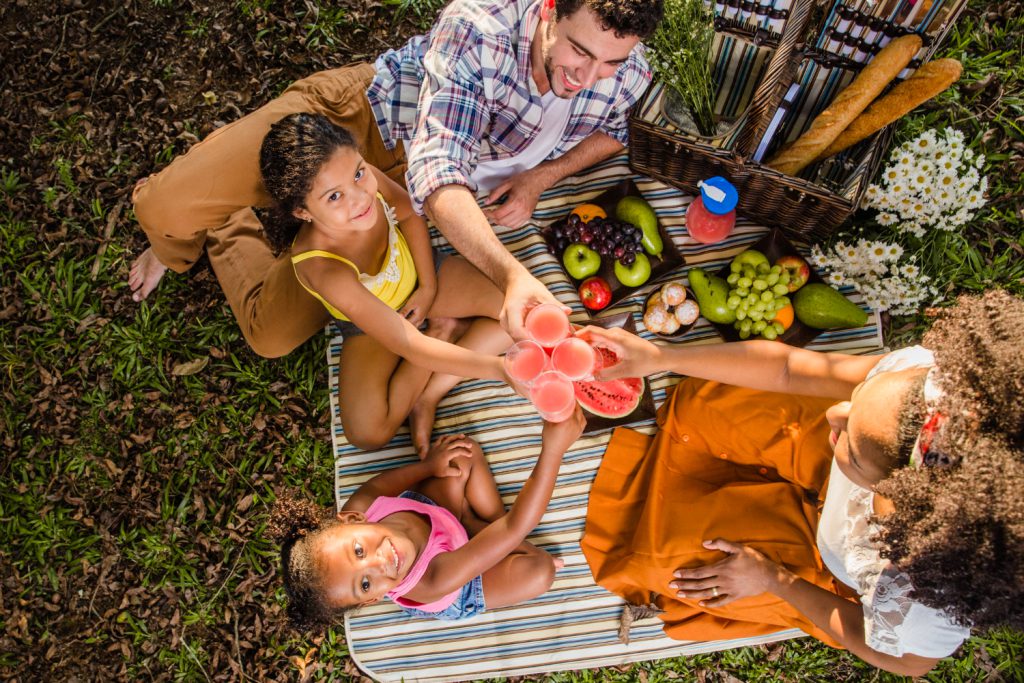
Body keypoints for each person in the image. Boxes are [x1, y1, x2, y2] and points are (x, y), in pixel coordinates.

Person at [128, 0, 664, 357]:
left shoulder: (626, 68)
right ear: (551, 6)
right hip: (358, 125)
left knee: (271, 336)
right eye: (579, 51)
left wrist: (543, 176)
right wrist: (508, 276)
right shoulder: (480, 26)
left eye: (609, 63)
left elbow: (617, 128)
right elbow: (437, 165)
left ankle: (229, 221)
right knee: (164, 211)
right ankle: (177, 241)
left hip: (390, 200)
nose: (587, 78)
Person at [577, 290, 1023, 676]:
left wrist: (774, 579)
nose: (834, 412)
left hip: (816, 554)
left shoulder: (917, 601)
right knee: (697, 400)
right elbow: (789, 369)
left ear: (895, 503)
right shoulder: (927, 387)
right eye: (856, 403)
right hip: (827, 460)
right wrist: (663, 358)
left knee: (663, 561)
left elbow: (904, 662)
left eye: (851, 440)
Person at [259, 113, 510, 451]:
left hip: (421, 275)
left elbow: (407, 212)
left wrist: (428, 286)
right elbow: (404, 342)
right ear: (303, 212)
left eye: (359, 173)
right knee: (368, 433)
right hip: (371, 326)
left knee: (515, 311)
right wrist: (502, 370)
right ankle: (442, 330)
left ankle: (430, 394)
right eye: (334, 197)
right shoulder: (322, 268)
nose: (360, 198)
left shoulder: (363, 179)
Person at [269, 412, 585, 627]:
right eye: (365, 584)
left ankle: (486, 528)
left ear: (353, 518)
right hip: (463, 583)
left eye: (359, 551)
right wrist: (553, 449)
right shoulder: (432, 582)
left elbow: (378, 485)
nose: (379, 564)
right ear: (375, 598)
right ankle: (487, 534)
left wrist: (429, 467)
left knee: (460, 453)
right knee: (539, 570)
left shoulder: (361, 505)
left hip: (433, 513)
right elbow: (519, 526)